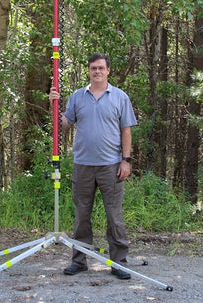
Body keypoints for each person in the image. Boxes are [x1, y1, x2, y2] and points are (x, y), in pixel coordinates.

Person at [49, 53, 137, 279]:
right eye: (93, 68)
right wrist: (54, 106)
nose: (97, 71)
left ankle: (119, 263)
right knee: (81, 216)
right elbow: (65, 125)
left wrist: (125, 160)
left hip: (111, 166)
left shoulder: (119, 97)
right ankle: (79, 261)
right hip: (83, 165)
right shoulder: (78, 97)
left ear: (108, 70)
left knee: (114, 216)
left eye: (101, 68)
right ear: (88, 70)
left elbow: (126, 130)